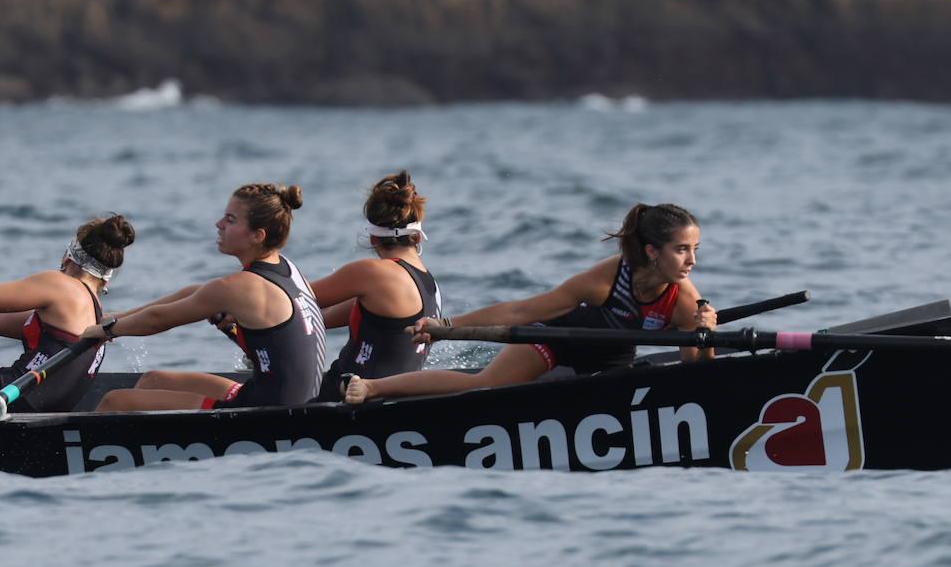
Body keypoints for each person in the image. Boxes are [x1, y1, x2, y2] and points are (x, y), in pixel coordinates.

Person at [342, 202, 714, 404]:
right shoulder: (607, 279)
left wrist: (704, 335)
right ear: (651, 251)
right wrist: (446, 327)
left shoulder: (684, 300)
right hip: (552, 340)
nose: (691, 261)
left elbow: (694, 371)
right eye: (681, 250)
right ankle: (375, 387)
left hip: (609, 360)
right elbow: (523, 311)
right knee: (485, 386)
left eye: (694, 250)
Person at [83, 183, 325, 411]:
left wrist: (107, 332)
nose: (219, 224)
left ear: (257, 236)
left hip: (268, 413)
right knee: (152, 380)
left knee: (116, 401)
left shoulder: (240, 287)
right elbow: (196, 294)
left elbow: (158, 319)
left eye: (230, 220)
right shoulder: (288, 269)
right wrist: (114, 319)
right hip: (277, 396)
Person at [310, 170, 442, 401]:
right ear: (418, 237)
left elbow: (289, 296)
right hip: (397, 396)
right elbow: (321, 319)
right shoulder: (428, 283)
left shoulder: (371, 273)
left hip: (348, 397)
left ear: (373, 238)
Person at [0, 215, 136, 413]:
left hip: (7, 399)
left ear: (68, 256)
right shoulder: (94, 313)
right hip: (35, 407)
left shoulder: (62, 286)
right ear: (105, 280)